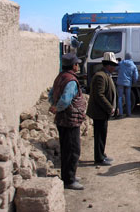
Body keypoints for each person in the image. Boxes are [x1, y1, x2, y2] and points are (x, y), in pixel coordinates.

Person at [48, 53, 86, 190]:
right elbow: (65, 100)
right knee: (73, 150)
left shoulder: (60, 77)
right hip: (70, 120)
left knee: (66, 149)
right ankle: (69, 180)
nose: (78, 66)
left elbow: (51, 94)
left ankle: (69, 175)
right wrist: (58, 107)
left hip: (62, 121)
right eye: (77, 63)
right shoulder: (71, 80)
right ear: (73, 65)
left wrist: (54, 105)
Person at [86, 52, 118, 166]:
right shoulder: (100, 76)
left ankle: (101, 154)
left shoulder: (106, 75)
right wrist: (110, 108)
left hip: (102, 112)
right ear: (108, 65)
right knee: (99, 135)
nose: (114, 68)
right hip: (99, 112)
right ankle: (99, 158)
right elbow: (100, 95)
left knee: (102, 134)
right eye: (113, 65)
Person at [116, 53, 138, 118]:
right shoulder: (133, 65)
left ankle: (121, 114)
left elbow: (115, 69)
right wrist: (134, 82)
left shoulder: (121, 63)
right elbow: (136, 76)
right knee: (128, 98)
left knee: (120, 97)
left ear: (125, 57)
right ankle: (129, 113)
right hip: (128, 83)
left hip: (120, 82)